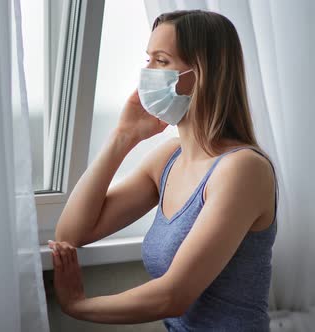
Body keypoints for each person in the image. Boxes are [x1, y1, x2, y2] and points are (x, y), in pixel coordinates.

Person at [48, 9, 278, 331]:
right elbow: (72, 233)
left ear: (202, 74)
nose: (148, 73)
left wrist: (79, 307)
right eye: (148, 60)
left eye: (162, 60)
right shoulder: (170, 157)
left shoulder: (243, 169)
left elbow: (173, 296)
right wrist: (122, 137)